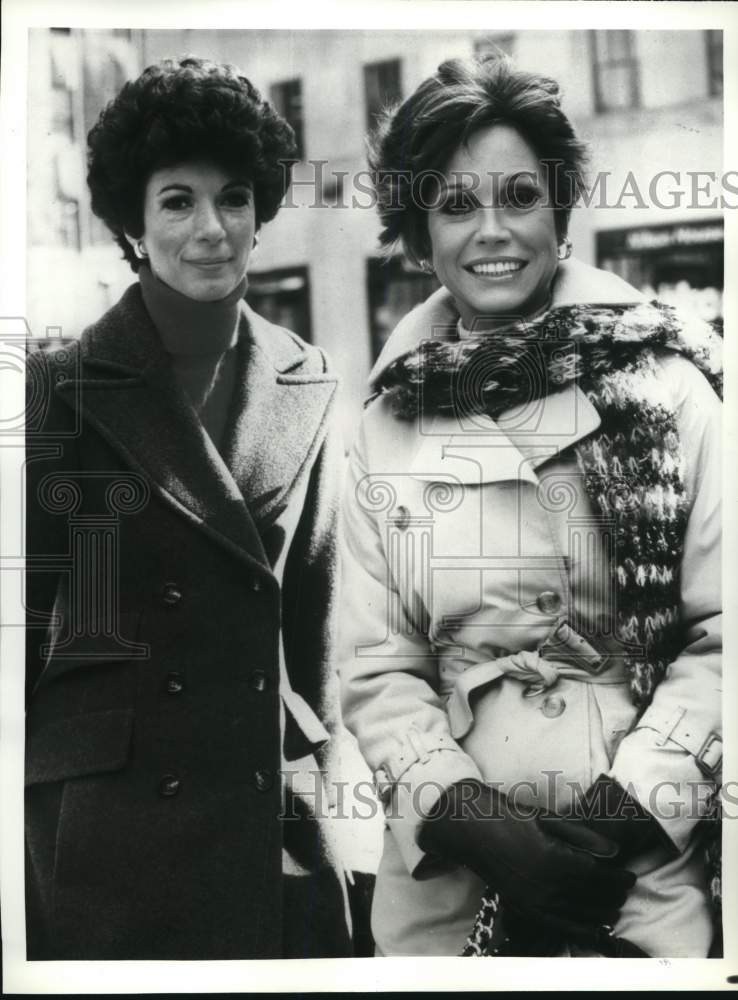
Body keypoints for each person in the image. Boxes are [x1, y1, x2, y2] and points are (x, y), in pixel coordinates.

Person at [338, 55, 722, 957]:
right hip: (452, 885)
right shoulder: (383, 422)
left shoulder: (671, 388)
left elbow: (724, 636)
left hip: (633, 872)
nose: (493, 232)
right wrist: (481, 828)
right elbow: (375, 668)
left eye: (519, 195)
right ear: (419, 230)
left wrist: (623, 815)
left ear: (560, 209)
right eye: (457, 205)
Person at [24, 56, 352, 960]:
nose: (210, 229)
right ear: (133, 222)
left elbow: (313, 626)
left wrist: (319, 788)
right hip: (103, 830)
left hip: (259, 811)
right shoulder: (60, 388)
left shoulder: (312, 379)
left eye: (234, 198)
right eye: (177, 201)